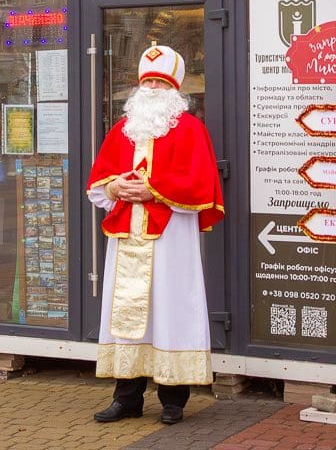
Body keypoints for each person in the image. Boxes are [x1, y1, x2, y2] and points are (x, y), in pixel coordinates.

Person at [86, 44, 225, 425]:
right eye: (147, 82)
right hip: (126, 236)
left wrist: (154, 190)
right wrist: (114, 188)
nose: (152, 89)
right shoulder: (122, 130)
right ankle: (126, 398)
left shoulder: (192, 130)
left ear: (175, 89)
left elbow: (201, 185)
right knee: (126, 315)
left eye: (160, 83)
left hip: (170, 240)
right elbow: (98, 184)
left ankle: (173, 401)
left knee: (170, 312)